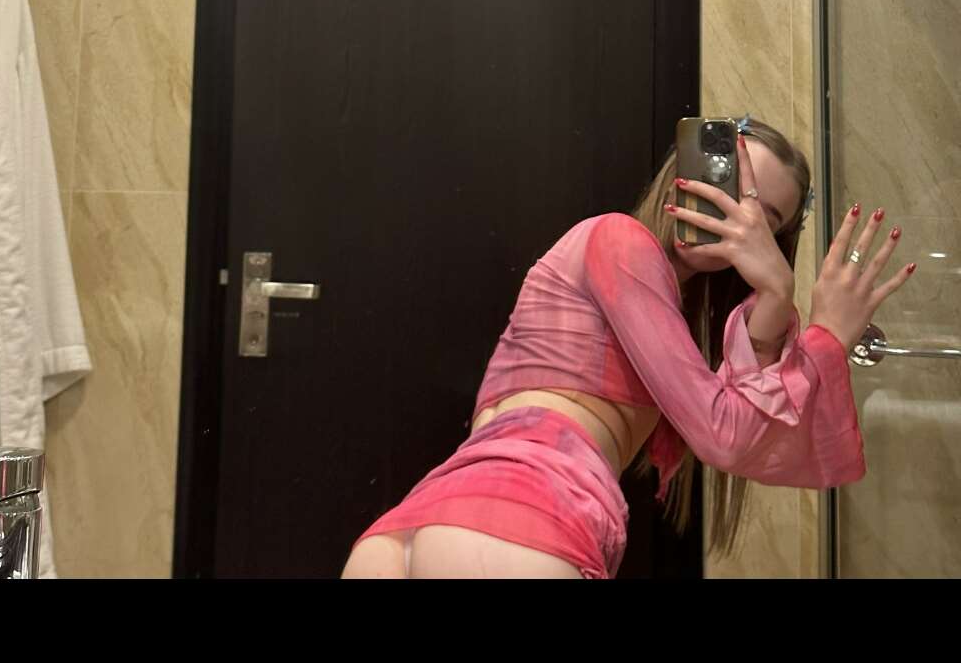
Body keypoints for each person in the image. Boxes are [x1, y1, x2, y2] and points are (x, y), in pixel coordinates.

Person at [341, 117, 915, 580]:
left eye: (763, 219)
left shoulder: (660, 309)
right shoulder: (620, 241)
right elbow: (722, 434)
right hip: (522, 517)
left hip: (421, 526)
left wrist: (773, 298)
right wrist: (813, 325)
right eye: (733, 190)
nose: (738, 219)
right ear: (686, 173)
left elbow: (747, 432)